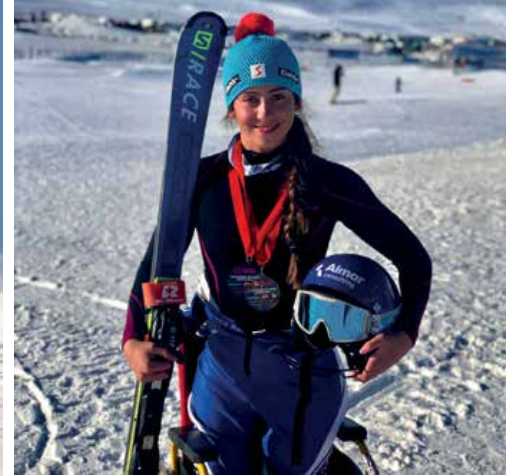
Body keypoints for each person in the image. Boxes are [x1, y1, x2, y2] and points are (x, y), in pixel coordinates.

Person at [121, 12, 431, 474]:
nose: (265, 113)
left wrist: (403, 334)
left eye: (278, 97)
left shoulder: (328, 182)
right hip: (222, 362)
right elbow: (154, 267)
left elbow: (413, 258)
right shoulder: (201, 180)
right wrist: (133, 341)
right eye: (250, 99)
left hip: (300, 366)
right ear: (232, 106)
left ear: (297, 102)